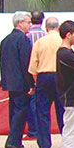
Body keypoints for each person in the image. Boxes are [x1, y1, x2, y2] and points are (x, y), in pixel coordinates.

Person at [0, 11, 34, 148]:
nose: (30, 25)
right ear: (20, 23)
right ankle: (13, 141)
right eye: (28, 22)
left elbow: (1, 62)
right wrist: (31, 83)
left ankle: (14, 140)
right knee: (21, 112)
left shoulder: (6, 40)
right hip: (21, 82)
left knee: (14, 112)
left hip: (10, 81)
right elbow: (26, 63)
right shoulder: (23, 40)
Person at [28, 16, 64, 148]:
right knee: (62, 111)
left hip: (43, 76)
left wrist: (36, 81)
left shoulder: (39, 42)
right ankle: (67, 142)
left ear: (46, 28)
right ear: (58, 27)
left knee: (42, 112)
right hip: (60, 77)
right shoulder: (62, 42)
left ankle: (44, 145)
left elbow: (33, 66)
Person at [24, 10, 47, 139]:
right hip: (45, 71)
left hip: (32, 71)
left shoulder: (27, 36)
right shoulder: (46, 35)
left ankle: (33, 130)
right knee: (44, 105)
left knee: (32, 102)